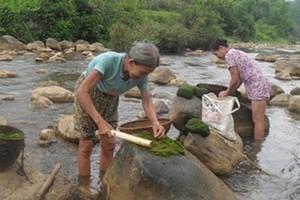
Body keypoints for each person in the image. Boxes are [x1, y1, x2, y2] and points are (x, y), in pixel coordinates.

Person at [74, 40, 166, 181]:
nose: (143, 76)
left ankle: (104, 184)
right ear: (130, 62)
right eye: (142, 72)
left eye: (147, 73)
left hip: (111, 97)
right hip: (89, 94)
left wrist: (155, 122)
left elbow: (146, 100)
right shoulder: (108, 61)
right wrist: (100, 122)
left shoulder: (142, 75)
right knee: (86, 145)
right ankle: (84, 187)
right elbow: (82, 92)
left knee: (110, 144)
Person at [209, 39, 271, 141]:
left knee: (258, 119)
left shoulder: (229, 56)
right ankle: (259, 143)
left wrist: (227, 92)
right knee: (258, 118)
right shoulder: (235, 52)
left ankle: (257, 146)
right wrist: (231, 91)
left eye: (216, 54)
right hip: (259, 84)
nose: (218, 57)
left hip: (257, 85)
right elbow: (239, 79)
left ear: (221, 48)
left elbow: (235, 79)